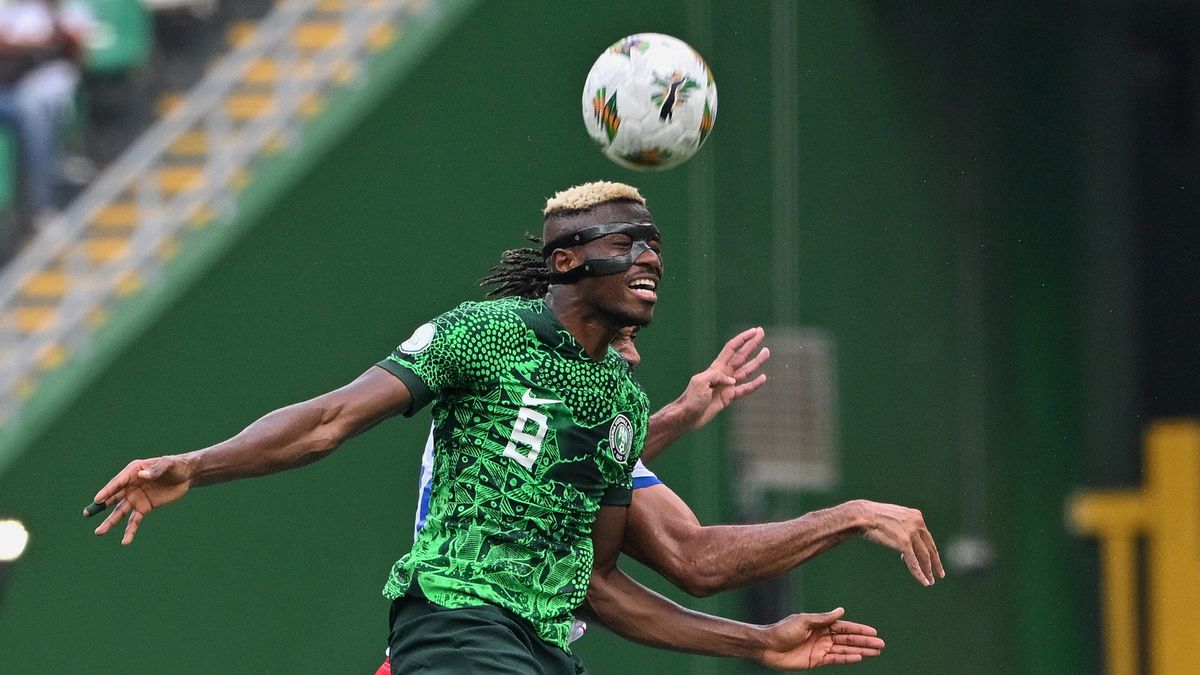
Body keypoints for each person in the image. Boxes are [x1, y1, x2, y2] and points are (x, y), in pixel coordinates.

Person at [87, 181, 886, 672]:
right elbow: (329, 419)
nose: (651, 259)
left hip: (538, 651)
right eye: (629, 243)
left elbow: (597, 581)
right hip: (460, 625)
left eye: (656, 246)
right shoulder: (485, 334)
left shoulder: (617, 402)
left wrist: (758, 641)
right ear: (567, 262)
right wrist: (198, 463)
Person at [0, 0, 91, 242]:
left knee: (37, 107)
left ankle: (42, 207)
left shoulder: (66, 10)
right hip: (6, 92)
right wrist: (36, 45)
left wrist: (53, 26)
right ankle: (57, 165)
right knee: (33, 106)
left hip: (30, 94)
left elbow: (76, 51)